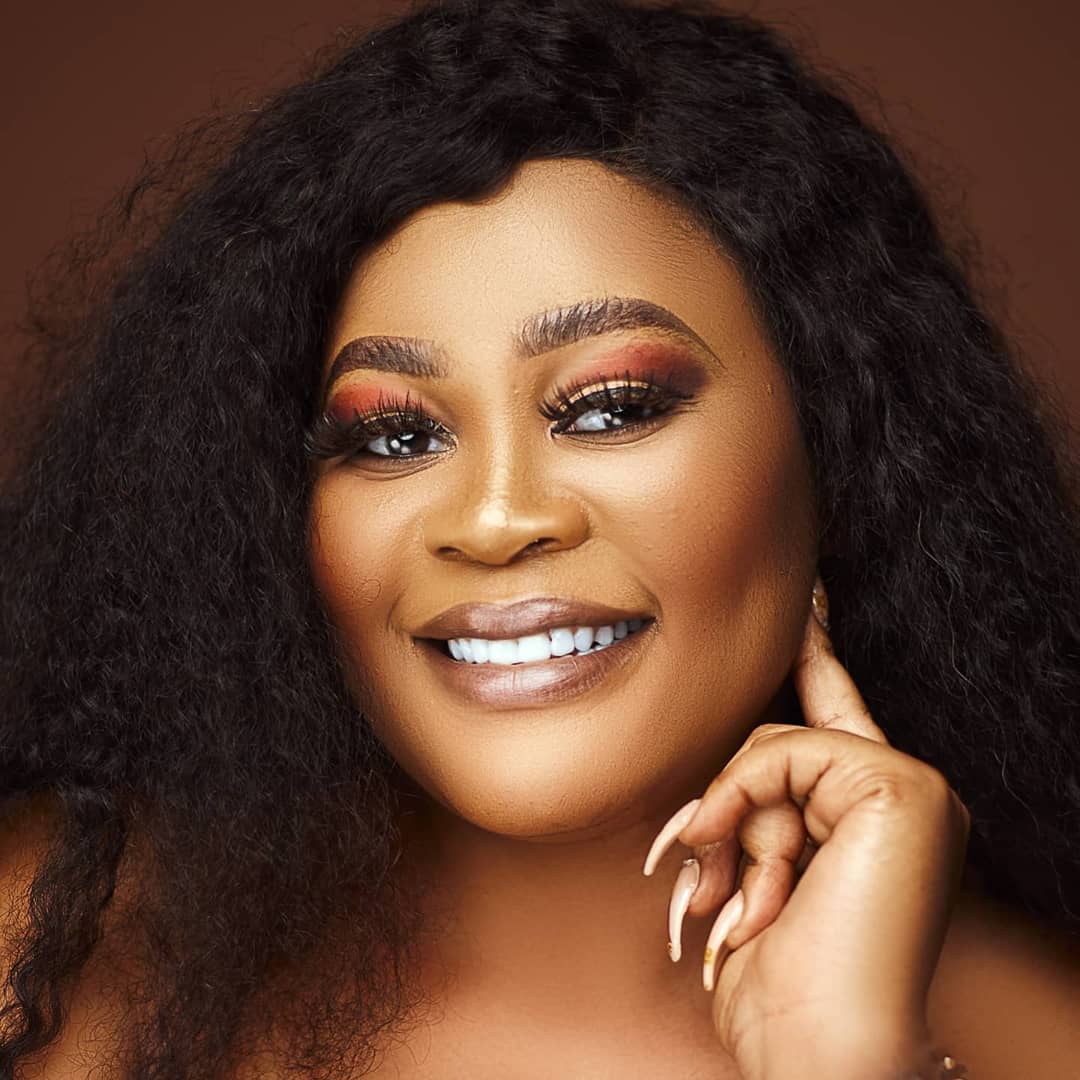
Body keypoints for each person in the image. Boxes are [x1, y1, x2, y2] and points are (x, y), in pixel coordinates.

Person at [1, 0, 1078, 1076]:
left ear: (838, 454)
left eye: (611, 409)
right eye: (394, 436)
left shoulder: (1032, 1036)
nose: (495, 519)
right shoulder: (52, 943)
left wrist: (839, 1051)